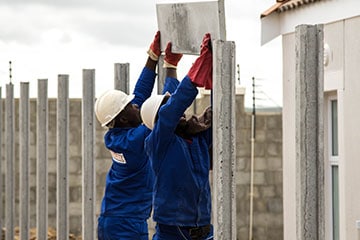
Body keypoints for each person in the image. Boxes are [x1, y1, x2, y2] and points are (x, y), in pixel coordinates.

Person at [94, 31, 183, 240]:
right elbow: (166, 109)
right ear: (123, 118)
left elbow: (140, 95)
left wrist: (152, 57)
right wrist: (170, 68)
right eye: (130, 106)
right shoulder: (135, 140)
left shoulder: (119, 135)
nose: (136, 105)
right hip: (128, 225)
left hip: (112, 220)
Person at [140, 33, 213, 240]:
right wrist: (197, 71)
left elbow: (219, 115)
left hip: (204, 227)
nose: (178, 109)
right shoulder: (158, 142)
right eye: (168, 105)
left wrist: (215, 82)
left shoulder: (195, 137)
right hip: (173, 230)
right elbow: (172, 108)